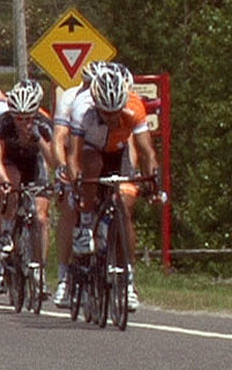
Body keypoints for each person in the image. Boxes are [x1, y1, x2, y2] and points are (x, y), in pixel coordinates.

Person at [66, 64, 159, 311]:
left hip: (119, 154)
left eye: (115, 111)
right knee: (91, 162)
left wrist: (152, 177)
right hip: (92, 151)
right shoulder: (82, 108)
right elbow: (73, 154)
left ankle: (127, 279)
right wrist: (75, 178)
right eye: (106, 112)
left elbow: (146, 150)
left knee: (125, 208)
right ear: (96, 103)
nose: (111, 117)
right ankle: (86, 224)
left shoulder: (134, 107)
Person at [0, 80, 55, 292]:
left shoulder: (43, 123)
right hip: (11, 164)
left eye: (28, 118)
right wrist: (3, 182)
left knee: (41, 217)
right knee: (12, 182)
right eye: (19, 118)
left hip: (35, 164)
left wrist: (39, 139)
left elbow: (53, 160)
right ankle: (7, 234)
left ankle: (40, 270)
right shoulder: (3, 123)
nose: (23, 123)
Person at [50, 60, 104, 307]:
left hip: (101, 155)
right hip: (75, 155)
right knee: (70, 209)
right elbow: (59, 138)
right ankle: (63, 277)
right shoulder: (71, 99)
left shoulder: (108, 101)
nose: (90, 89)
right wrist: (62, 167)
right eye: (87, 84)